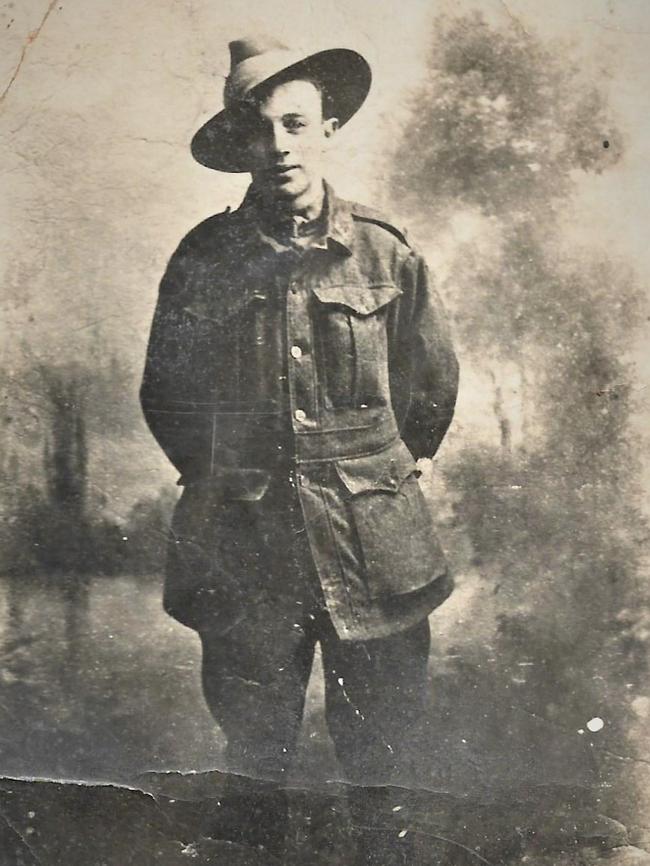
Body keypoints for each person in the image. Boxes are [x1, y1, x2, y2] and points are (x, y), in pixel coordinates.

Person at [140, 36, 459, 865]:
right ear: (241, 146)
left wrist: (376, 473)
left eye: (295, 123)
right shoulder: (203, 259)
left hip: (374, 549)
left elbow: (429, 388)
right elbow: (168, 396)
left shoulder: (386, 252)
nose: (279, 146)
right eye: (260, 131)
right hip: (246, 551)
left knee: (385, 775)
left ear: (328, 127)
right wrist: (229, 474)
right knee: (255, 775)